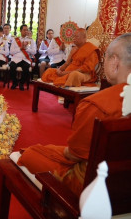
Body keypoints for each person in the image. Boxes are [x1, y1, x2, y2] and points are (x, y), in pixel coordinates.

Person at [17, 33, 131, 196]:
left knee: (31, 154)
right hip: (123, 183)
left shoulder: (96, 105)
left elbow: (74, 154)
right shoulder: (75, 50)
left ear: (114, 62)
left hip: (94, 188)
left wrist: (48, 151)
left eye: (106, 58)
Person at [9, 24, 36, 90]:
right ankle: (15, 83)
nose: (26, 31)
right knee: (12, 66)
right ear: (20, 31)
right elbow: (11, 52)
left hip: (25, 59)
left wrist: (26, 48)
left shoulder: (31, 40)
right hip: (16, 58)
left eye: (27, 30)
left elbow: (34, 52)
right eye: (24, 30)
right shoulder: (16, 40)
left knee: (26, 67)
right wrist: (20, 48)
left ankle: (21, 83)